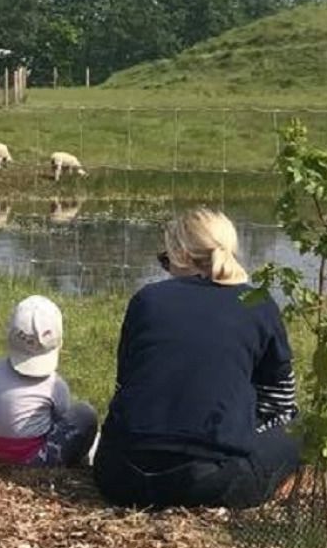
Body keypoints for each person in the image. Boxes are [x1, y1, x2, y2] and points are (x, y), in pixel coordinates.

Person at [93, 208, 301, 508]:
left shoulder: (146, 299)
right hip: (211, 482)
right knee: (300, 427)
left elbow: (127, 383)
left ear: (181, 255)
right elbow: (280, 403)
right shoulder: (257, 304)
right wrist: (238, 420)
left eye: (166, 259)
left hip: (120, 476)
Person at [0, 295, 99, 468]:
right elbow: (62, 420)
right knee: (85, 413)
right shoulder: (55, 385)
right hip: (34, 461)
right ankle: (80, 460)